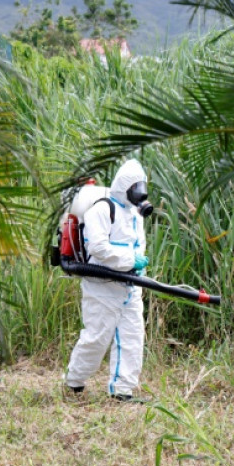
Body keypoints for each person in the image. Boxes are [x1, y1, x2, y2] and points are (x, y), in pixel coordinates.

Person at [64, 159, 151, 401]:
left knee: (132, 338)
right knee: (96, 338)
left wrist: (137, 265)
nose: (140, 193)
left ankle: (122, 391)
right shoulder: (102, 209)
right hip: (101, 286)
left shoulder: (136, 214)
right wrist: (130, 260)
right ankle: (74, 382)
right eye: (136, 187)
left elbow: (138, 246)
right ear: (124, 187)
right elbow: (99, 248)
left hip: (131, 287)